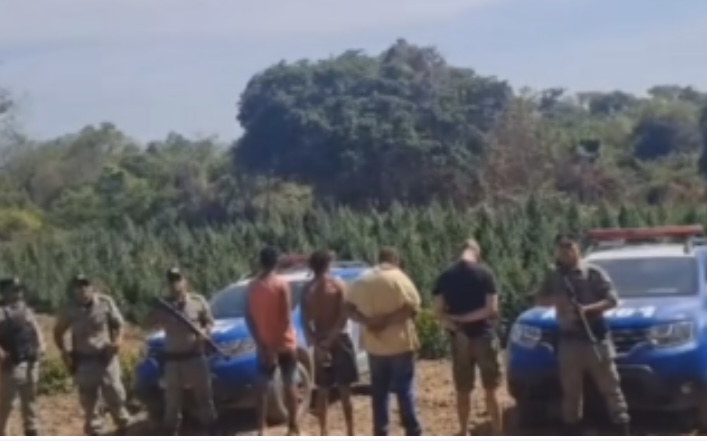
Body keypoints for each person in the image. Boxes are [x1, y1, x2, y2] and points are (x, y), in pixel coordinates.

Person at [535, 233, 630, 435]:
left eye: (571, 247)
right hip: (569, 343)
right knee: (571, 394)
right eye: (562, 248)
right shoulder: (554, 276)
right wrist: (557, 300)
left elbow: (612, 299)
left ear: (578, 249)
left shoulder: (593, 273)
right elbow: (539, 299)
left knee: (611, 389)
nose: (567, 252)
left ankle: (621, 429)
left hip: (595, 340)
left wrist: (588, 310)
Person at [345, 247, 422, 436]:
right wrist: (387, 321)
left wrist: (368, 321)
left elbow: (347, 308)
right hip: (400, 344)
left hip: (375, 346)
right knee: (404, 390)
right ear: (395, 260)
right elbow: (412, 309)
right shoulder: (399, 278)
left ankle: (381, 430)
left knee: (379, 392)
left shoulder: (362, 279)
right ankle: (412, 429)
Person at [432, 239, 503, 435]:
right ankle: (497, 432)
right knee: (491, 389)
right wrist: (469, 318)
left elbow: (438, 312)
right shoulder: (485, 273)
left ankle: (463, 431)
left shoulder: (445, 276)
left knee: (463, 390)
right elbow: (491, 308)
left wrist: (456, 324)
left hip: (460, 338)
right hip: (484, 336)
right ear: (477, 253)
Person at [53, 274, 131, 435]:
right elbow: (58, 332)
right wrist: (65, 352)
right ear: (74, 290)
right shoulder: (70, 308)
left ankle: (124, 426)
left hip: (106, 359)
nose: (82, 290)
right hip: (84, 361)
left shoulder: (105, 302)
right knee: (89, 401)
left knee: (116, 394)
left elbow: (119, 324)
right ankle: (96, 431)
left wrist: (118, 341)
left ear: (92, 288)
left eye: (85, 286)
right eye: (78, 287)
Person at [144, 268, 217, 435]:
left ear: (185, 281)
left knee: (205, 399)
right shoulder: (164, 305)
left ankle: (212, 431)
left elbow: (209, 322)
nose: (175, 284)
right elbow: (148, 324)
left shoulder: (198, 301)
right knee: (172, 404)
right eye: (171, 281)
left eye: (178, 280)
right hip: (173, 361)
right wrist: (157, 312)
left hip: (195, 358)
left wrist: (204, 334)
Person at [301, 250, 358, 436]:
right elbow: (343, 316)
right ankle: (350, 431)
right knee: (345, 391)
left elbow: (304, 321)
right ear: (328, 264)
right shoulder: (338, 285)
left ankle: (323, 431)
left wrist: (317, 344)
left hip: (319, 339)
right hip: (339, 340)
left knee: (323, 390)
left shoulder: (307, 290)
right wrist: (330, 340)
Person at [245, 246, 300, 436]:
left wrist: (262, 345)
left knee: (261, 388)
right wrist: (275, 348)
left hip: (264, 347)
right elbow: (286, 319)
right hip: (284, 344)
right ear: (276, 263)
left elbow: (249, 318)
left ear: (261, 262)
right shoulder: (281, 285)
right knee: (289, 384)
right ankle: (293, 426)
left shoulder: (252, 287)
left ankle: (261, 429)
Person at [0, 278, 44, 436]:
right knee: (7, 403)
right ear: (4, 292)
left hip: (31, 359)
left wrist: (41, 345)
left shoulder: (26, 309)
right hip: (11, 362)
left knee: (30, 398)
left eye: (19, 290)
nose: (18, 293)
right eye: (14, 290)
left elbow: (35, 327)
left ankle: (31, 429)